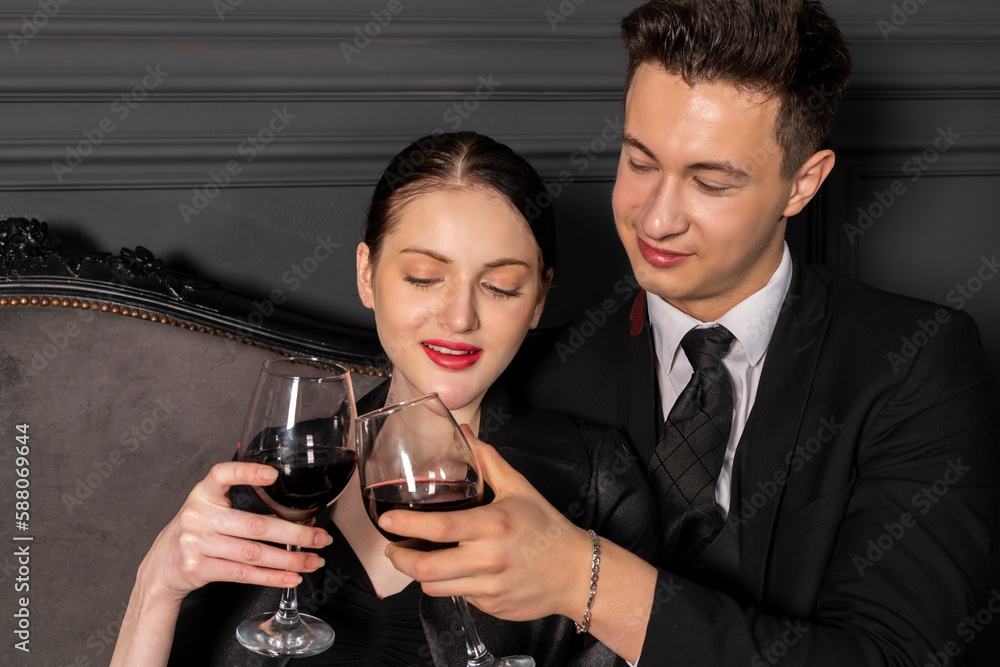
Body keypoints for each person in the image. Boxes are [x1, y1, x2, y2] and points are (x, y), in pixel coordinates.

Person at [376, 1, 999, 665]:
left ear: (803, 183)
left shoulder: (916, 362)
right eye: (640, 162)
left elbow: (893, 656)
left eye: (710, 181)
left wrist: (586, 580)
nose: (657, 218)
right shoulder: (539, 372)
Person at [109, 132, 655, 667]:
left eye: (500, 286)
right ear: (366, 275)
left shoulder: (595, 481)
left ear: (537, 300)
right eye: (424, 277)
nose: (460, 317)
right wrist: (154, 587)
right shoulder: (279, 467)